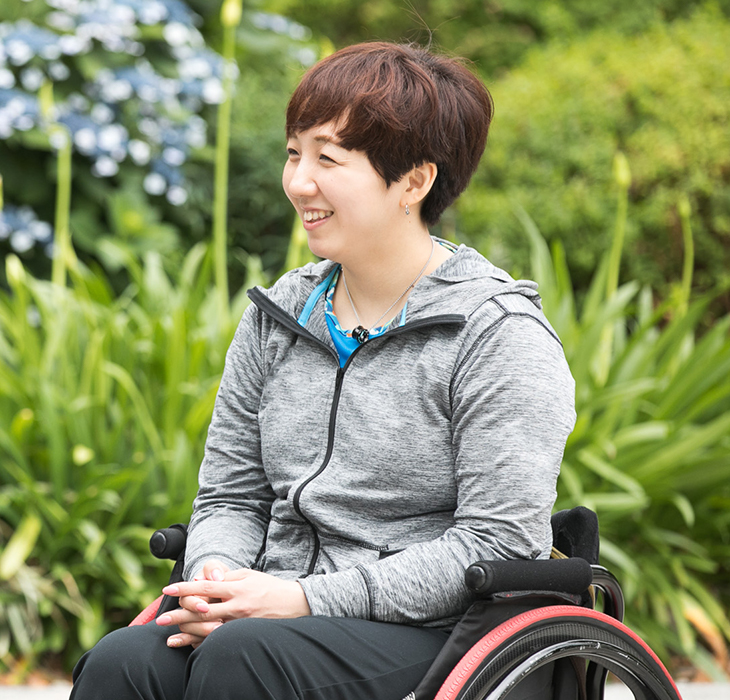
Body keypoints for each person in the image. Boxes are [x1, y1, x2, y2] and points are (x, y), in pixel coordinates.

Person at [70, 42, 576, 700]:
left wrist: (301, 600)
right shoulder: (280, 314)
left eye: (327, 159)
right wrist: (218, 582)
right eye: (293, 152)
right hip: (273, 616)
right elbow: (230, 497)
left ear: (414, 183)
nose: (298, 181)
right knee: (125, 662)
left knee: (246, 657)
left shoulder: (494, 334)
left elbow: (496, 539)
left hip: (445, 632)